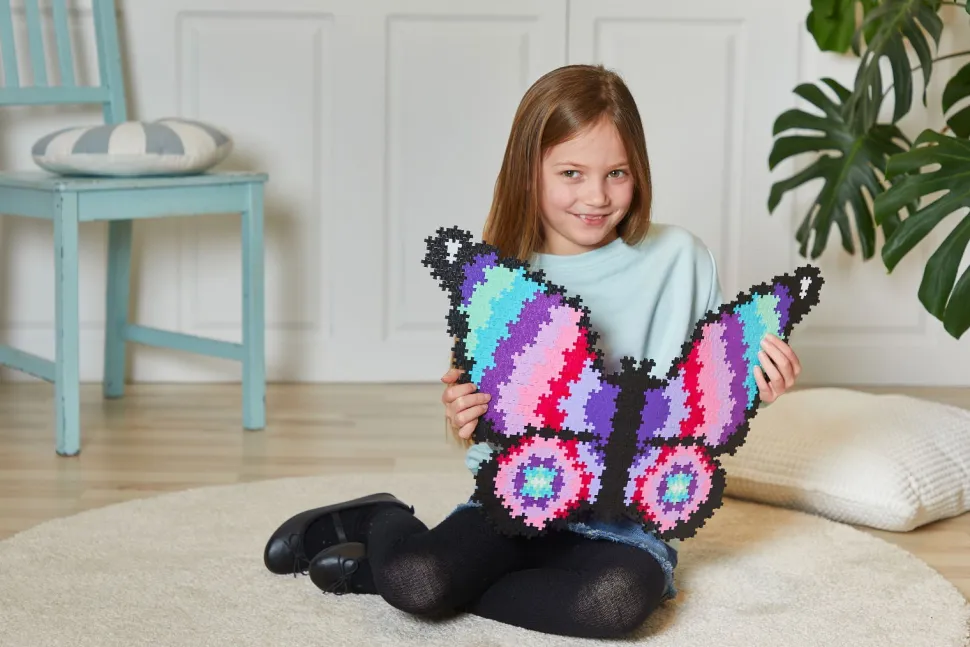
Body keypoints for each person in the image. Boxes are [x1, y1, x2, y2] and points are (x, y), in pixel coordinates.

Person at [263, 63, 802, 639]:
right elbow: (478, 423)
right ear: (528, 173)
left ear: (638, 171)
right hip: (523, 492)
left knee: (611, 604)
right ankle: (382, 517)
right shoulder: (504, 279)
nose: (596, 196)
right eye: (571, 173)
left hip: (626, 520)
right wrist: (464, 415)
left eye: (616, 173)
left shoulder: (682, 258)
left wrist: (755, 388)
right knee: (419, 582)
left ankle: (404, 578)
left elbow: (707, 397)